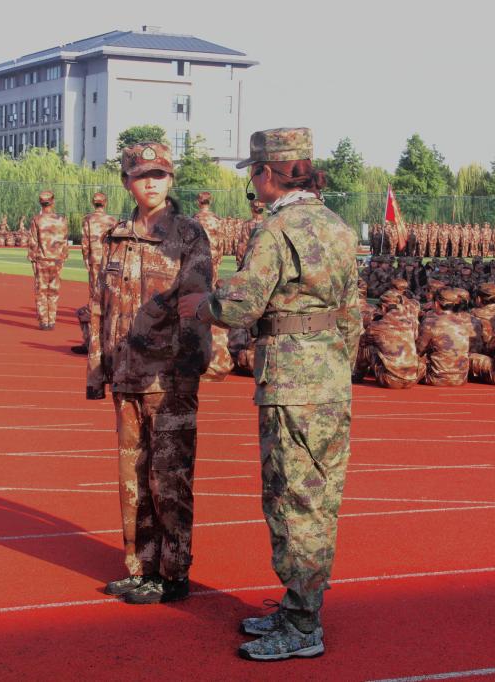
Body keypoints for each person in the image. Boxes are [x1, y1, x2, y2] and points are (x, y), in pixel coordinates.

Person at [179, 127, 361, 661]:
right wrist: (334, 366)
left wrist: (201, 306)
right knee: (316, 495)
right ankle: (298, 605)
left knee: (293, 497)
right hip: (327, 375)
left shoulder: (275, 228)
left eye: (254, 173)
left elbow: (240, 305)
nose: (253, 183)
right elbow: (352, 313)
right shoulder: (338, 227)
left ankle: (303, 625)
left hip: (290, 380)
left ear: (266, 173)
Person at [86, 142, 212, 606]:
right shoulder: (115, 237)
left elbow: (197, 306)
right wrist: (97, 370)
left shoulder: (188, 235)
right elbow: (99, 305)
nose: (151, 182)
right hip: (126, 376)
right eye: (142, 176)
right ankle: (140, 566)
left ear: (171, 180)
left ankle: (173, 572)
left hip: (169, 379)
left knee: (169, 478)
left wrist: (191, 370)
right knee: (132, 478)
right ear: (127, 183)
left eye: (159, 174)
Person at [193, 191, 234, 380]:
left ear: (198, 202)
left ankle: (201, 358)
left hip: (197, 270)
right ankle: (217, 357)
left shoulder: (193, 220)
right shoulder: (218, 221)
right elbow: (224, 245)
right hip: (214, 266)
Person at [73, 192, 118, 354]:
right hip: (110, 263)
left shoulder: (88, 219)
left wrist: (86, 259)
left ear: (94, 203)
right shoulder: (112, 221)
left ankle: (91, 341)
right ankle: (108, 340)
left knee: (95, 299)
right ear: (105, 203)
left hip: (95, 261)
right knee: (109, 298)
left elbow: (85, 242)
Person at [417, 288, 485, 387]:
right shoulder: (466, 322)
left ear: (436, 304)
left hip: (436, 378)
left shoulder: (431, 322)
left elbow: (418, 351)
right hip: (461, 378)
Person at [27, 191, 69, 330]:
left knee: (41, 291)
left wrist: (33, 261)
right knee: (54, 292)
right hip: (57, 260)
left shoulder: (37, 220)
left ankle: (44, 321)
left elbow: (33, 242)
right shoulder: (62, 220)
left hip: (42, 260)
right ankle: (52, 321)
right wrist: (63, 258)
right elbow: (64, 241)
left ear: (41, 203)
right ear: (52, 202)